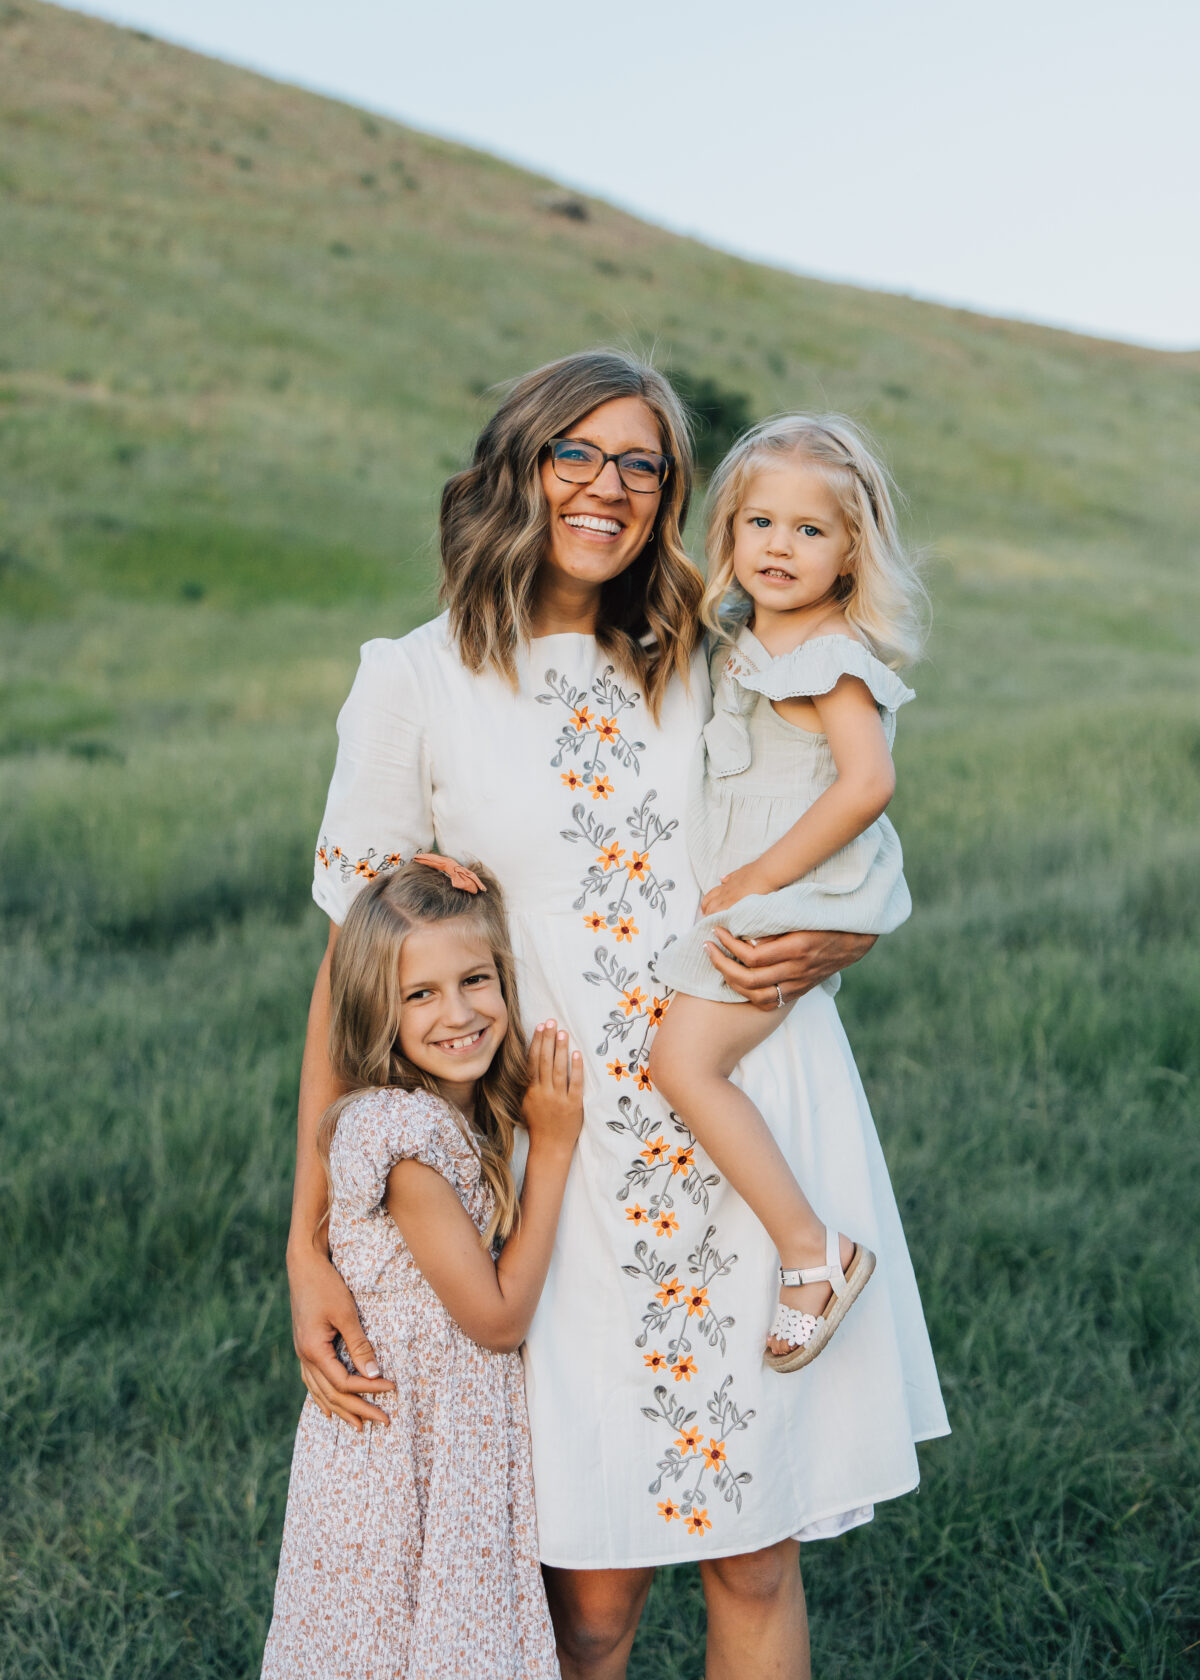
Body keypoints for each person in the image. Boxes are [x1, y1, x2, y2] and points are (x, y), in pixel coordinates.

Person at [286, 349, 949, 1680]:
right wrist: (313, 1240)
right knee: (587, 1595)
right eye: (575, 453)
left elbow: (840, 815)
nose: (608, 485)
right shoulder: (414, 679)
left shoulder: (710, 657)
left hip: (753, 1121)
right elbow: (355, 987)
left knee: (753, 1558)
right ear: (514, 468)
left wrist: (843, 934)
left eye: (642, 462)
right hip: (560, 1161)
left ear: (670, 494)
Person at [650, 414, 924, 1374]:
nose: (780, 546)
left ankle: (815, 1254)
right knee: (693, 1063)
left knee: (683, 1064)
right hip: (767, 884)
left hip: (788, 894)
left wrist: (760, 878)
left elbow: (867, 783)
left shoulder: (830, 661)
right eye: (761, 522)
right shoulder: (745, 645)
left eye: (810, 531)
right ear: (728, 530)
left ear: (852, 553)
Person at [262, 855, 578, 1679]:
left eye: (477, 980)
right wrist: (554, 1147)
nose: (460, 1013)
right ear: (378, 1009)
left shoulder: (454, 1116)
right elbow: (497, 1318)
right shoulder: (404, 1144)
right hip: (401, 1461)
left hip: (439, 1447)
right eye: (421, 995)